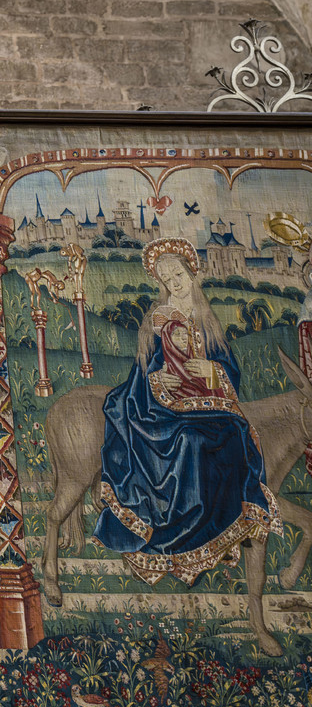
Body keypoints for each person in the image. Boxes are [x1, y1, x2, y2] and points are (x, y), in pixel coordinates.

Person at [95, 237, 282, 584]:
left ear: (190, 273)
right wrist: (158, 380)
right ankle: (178, 531)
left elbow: (230, 367)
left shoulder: (206, 318)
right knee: (189, 441)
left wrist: (213, 371)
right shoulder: (157, 318)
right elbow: (142, 370)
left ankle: (221, 528)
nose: (174, 283)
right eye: (167, 279)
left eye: (178, 275)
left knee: (232, 435)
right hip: (162, 409)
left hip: (210, 406)